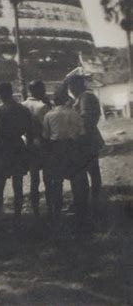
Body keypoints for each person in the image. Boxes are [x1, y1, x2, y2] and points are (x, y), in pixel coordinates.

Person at [43, 85, 89, 230]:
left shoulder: (49, 115)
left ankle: (57, 212)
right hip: (73, 147)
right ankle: (80, 210)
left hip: (57, 148)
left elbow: (46, 136)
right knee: (76, 180)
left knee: (57, 181)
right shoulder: (74, 113)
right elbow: (82, 133)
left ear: (55, 100)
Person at [0, 82, 32, 224]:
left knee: (0, 183)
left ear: (2, 95)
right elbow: (28, 127)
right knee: (18, 182)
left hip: (3, 148)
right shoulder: (22, 109)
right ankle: (18, 214)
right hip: (18, 146)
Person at [69, 75, 104, 215]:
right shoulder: (82, 97)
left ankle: (92, 202)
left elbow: (86, 118)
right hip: (85, 139)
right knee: (85, 171)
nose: (70, 89)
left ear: (77, 85)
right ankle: (85, 201)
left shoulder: (86, 97)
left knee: (90, 171)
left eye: (71, 86)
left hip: (86, 139)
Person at [22, 80, 51, 216]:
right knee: (47, 176)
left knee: (34, 179)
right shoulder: (43, 106)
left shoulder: (23, 106)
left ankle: (35, 209)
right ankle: (50, 205)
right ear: (39, 91)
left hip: (29, 143)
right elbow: (47, 127)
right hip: (43, 143)